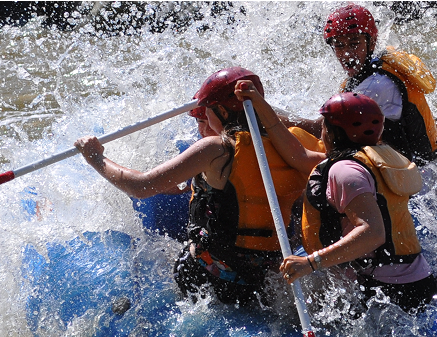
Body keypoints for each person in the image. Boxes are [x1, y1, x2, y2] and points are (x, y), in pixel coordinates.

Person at [73, 67, 317, 307]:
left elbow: (141, 186)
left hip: (211, 276)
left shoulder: (216, 149)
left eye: (208, 112)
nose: (204, 121)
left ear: (221, 110)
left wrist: (96, 158)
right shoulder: (295, 145)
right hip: (266, 274)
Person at [261, 91, 437, 313]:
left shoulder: (345, 171)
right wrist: (259, 106)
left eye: (324, 126)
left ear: (333, 131)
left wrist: (310, 263)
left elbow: (372, 233)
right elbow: (299, 156)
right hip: (414, 280)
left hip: (389, 294)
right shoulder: (378, 157)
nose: (321, 132)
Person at [284, 4, 437, 165]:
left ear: (372, 42)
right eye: (339, 45)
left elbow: (319, 129)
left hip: (416, 179)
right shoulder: (378, 64)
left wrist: (265, 117)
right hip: (425, 163)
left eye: (354, 43)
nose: (347, 53)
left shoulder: (376, 86)